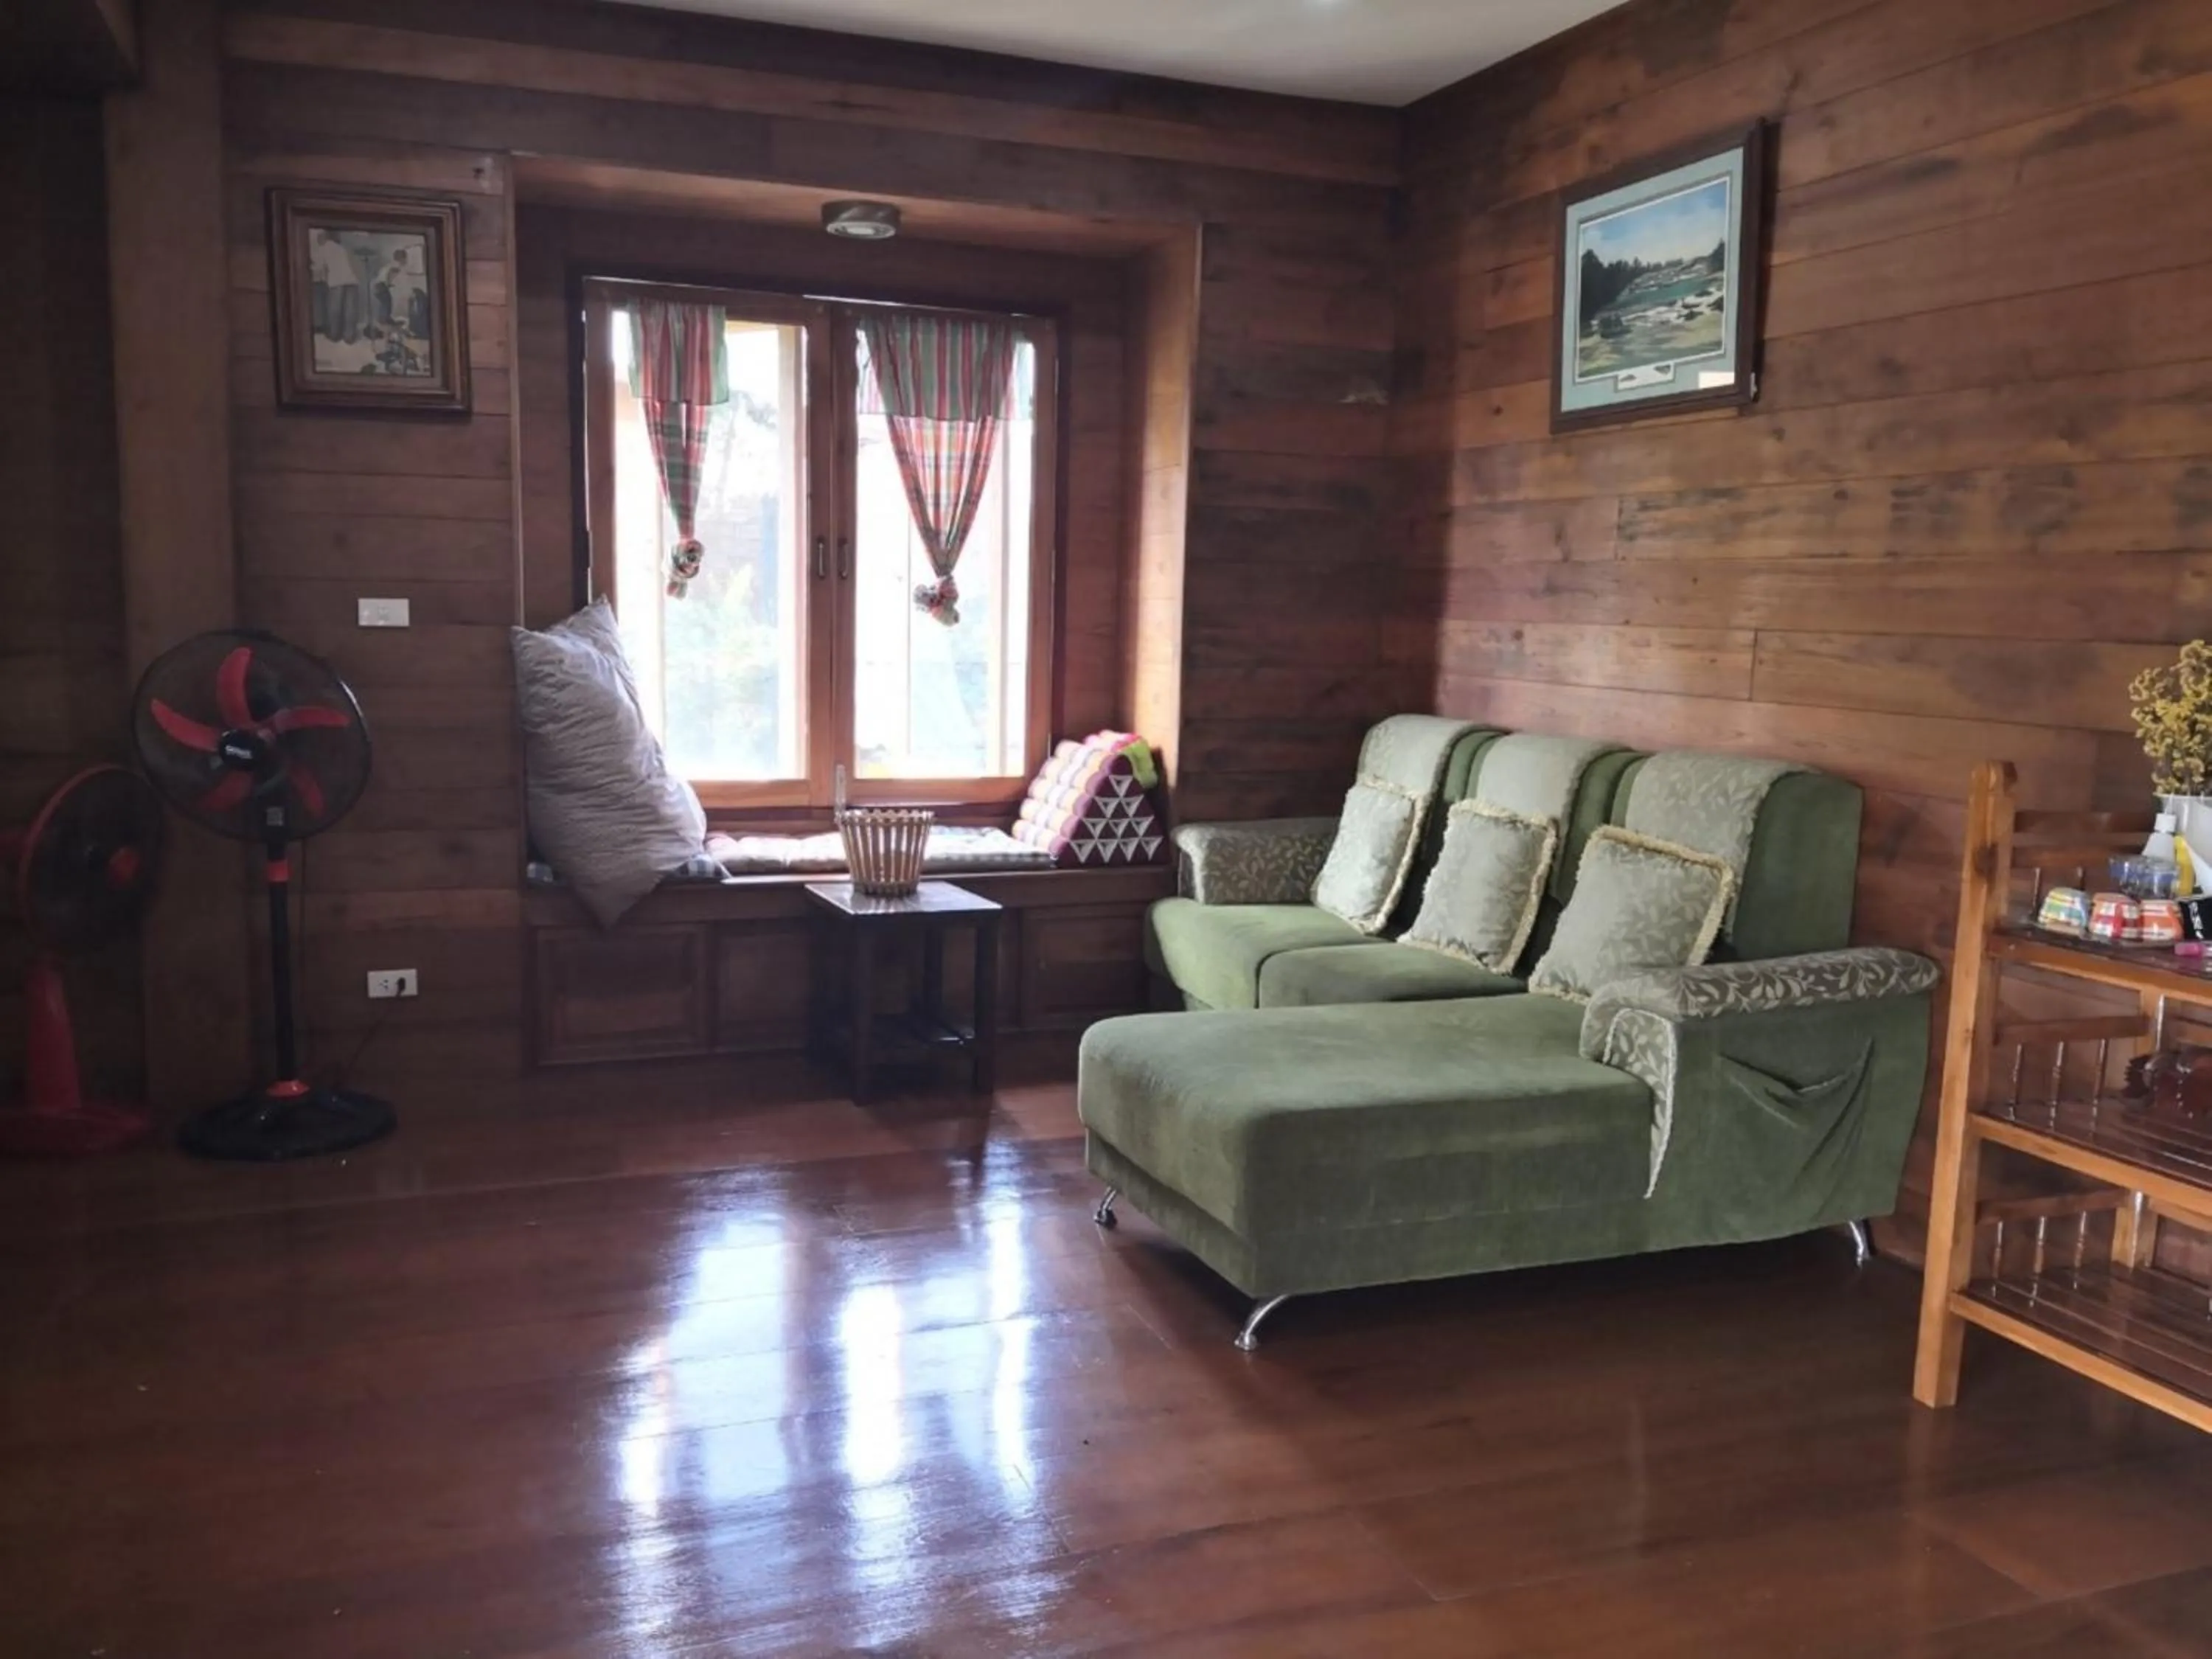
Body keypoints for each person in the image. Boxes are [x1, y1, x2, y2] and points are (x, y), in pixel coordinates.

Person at [309, 228, 364, 346]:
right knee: (350, 310)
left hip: (337, 282)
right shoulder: (341, 247)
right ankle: (349, 337)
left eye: (318, 238)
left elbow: (318, 267)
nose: (318, 240)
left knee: (335, 310)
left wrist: (310, 264)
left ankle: (334, 336)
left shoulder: (324, 248)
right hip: (352, 281)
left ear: (323, 237)